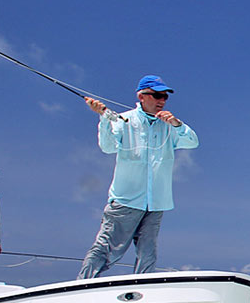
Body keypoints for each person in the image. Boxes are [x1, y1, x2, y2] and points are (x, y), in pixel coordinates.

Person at [78, 75, 199, 278]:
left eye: (165, 96)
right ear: (142, 96)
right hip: (126, 199)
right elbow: (107, 148)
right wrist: (103, 118)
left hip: (157, 201)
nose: (162, 100)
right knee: (106, 249)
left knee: (148, 253)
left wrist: (178, 124)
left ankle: (142, 291)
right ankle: (83, 285)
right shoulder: (124, 120)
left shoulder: (169, 125)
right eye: (157, 95)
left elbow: (192, 142)